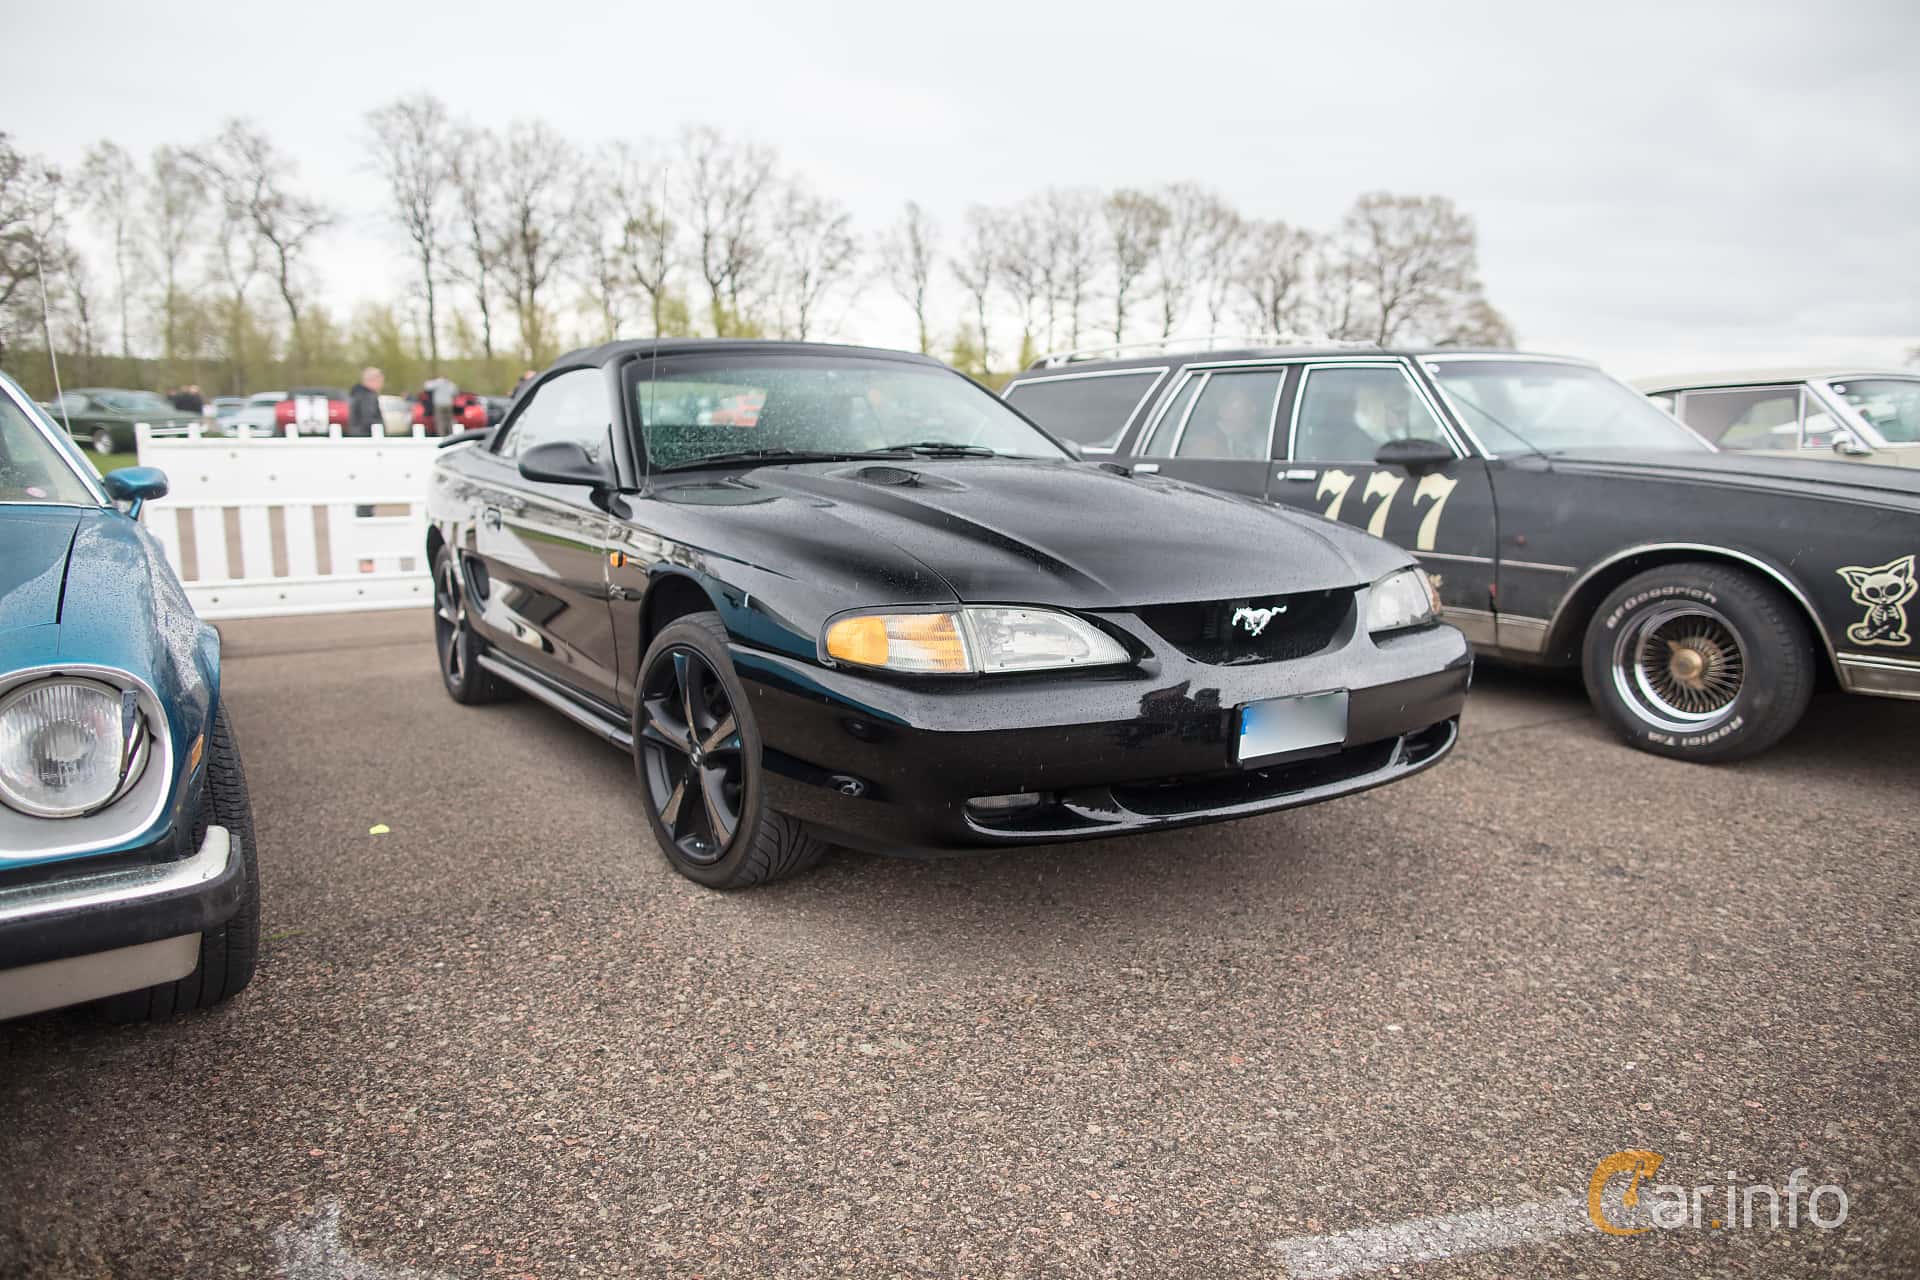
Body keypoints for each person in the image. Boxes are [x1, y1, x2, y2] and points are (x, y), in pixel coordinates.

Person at [346, 367, 385, 437]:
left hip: (358, 435)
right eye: (380, 381)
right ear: (373, 380)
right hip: (367, 436)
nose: (381, 385)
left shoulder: (357, 393)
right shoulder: (367, 396)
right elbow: (368, 419)